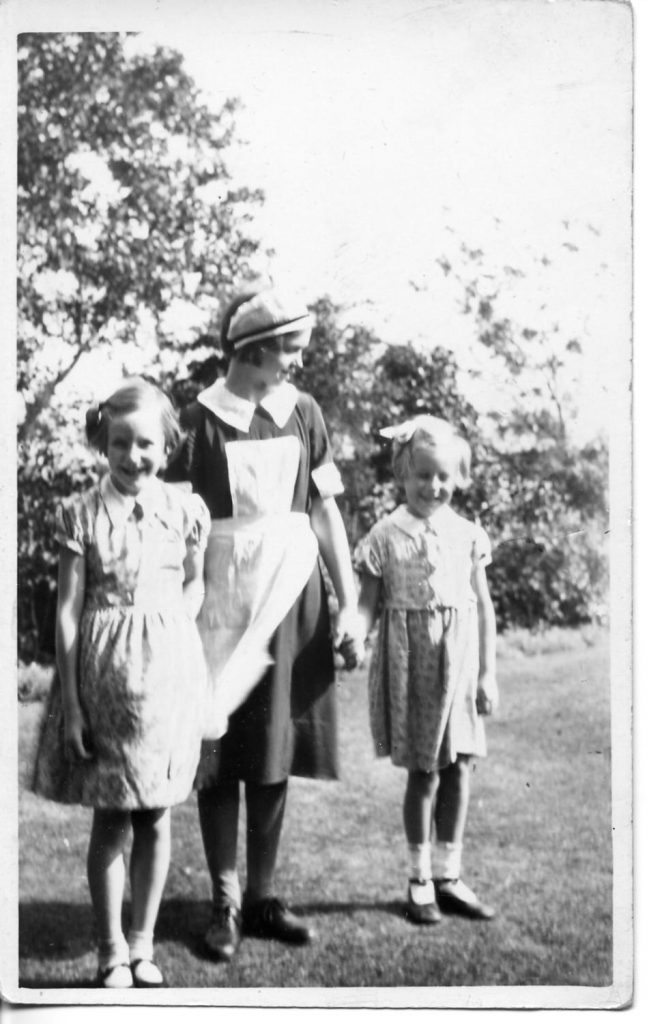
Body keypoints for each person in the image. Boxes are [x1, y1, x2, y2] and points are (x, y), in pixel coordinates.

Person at [165, 286, 364, 962]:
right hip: (219, 599)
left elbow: (324, 512)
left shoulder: (303, 412)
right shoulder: (198, 421)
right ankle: (224, 900)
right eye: (291, 350)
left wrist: (349, 603)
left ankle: (262, 896)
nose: (298, 362)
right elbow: (175, 525)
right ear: (255, 350)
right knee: (219, 750)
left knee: (274, 748)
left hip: (291, 595)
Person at [32, 377, 211, 988]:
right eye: (120, 444)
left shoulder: (184, 510)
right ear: (103, 445)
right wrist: (72, 704)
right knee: (111, 818)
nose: (133, 457)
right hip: (104, 680)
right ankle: (110, 949)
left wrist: (173, 623)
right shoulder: (81, 514)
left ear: (168, 446)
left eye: (146, 445)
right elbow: (67, 610)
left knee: (157, 814)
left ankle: (143, 945)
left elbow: (195, 581)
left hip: (166, 680)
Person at [354, 414, 499, 924]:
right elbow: (368, 605)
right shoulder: (384, 535)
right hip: (410, 666)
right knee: (424, 772)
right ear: (403, 473)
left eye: (443, 476)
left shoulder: (468, 535)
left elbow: (483, 607)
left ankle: (449, 876)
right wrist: (353, 635)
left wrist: (487, 674)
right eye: (423, 475)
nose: (433, 486)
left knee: (459, 767)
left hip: (459, 667)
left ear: (458, 477)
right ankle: (419, 880)